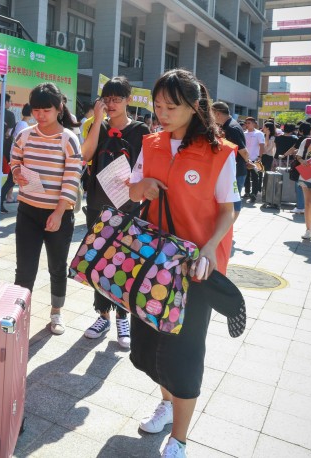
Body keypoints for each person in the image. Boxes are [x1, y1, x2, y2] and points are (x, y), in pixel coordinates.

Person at [129, 69, 238, 458]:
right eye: (157, 106)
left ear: (194, 107)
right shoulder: (151, 142)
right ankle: (166, 401)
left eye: (171, 107)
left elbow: (228, 211)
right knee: (151, 342)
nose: (162, 113)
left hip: (195, 269)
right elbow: (133, 184)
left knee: (186, 351)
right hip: (153, 261)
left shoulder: (220, 151)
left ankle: (179, 438)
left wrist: (210, 248)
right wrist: (139, 187)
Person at [80, 76, 150, 348]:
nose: (111, 104)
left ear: (128, 100)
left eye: (117, 99)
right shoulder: (96, 126)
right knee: (97, 261)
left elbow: (147, 168)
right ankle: (102, 315)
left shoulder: (141, 130)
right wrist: (97, 121)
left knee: (122, 262)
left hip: (128, 206)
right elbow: (85, 156)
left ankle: (123, 316)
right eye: (107, 99)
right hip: (98, 205)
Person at [10, 82, 82, 335]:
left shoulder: (69, 139)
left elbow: (72, 178)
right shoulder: (25, 135)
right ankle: (19, 313)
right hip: (28, 210)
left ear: (59, 108)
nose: (40, 115)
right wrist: (17, 172)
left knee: (57, 266)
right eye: (36, 110)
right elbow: (14, 160)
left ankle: (56, 312)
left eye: (46, 110)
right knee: (25, 267)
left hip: (59, 214)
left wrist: (59, 212)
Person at [211, 102, 249, 223]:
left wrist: (249, 162)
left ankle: (229, 228)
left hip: (237, 170)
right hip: (234, 168)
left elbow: (243, 150)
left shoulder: (231, 128)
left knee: (233, 199)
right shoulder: (230, 125)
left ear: (217, 113)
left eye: (211, 113)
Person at [0, 103, 32, 208]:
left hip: (15, 155)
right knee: (12, 180)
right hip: (17, 157)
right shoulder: (24, 125)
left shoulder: (20, 123)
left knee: (12, 180)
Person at [243, 117, 265, 202]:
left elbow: (262, 146)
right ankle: (247, 191)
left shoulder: (259, 133)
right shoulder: (244, 133)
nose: (247, 125)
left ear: (254, 124)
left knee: (256, 177)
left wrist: (260, 157)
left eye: (249, 123)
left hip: (256, 159)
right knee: (246, 176)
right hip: (246, 158)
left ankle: (254, 193)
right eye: (246, 123)